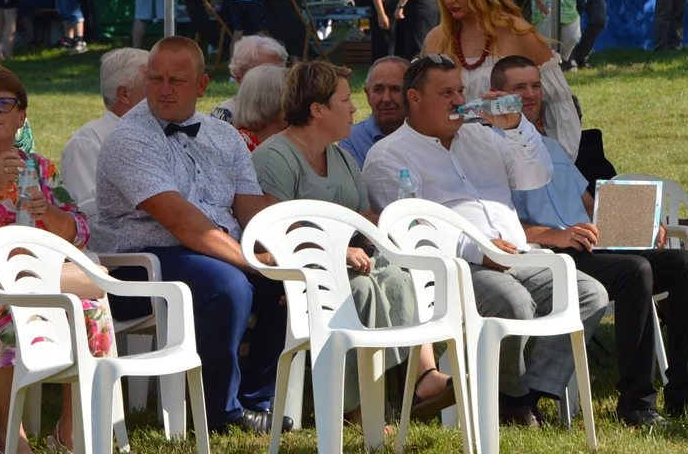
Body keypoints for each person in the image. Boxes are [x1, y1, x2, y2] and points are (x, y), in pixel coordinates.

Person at [362, 55, 608, 426]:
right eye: (446, 93)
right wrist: (479, 249)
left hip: (519, 255)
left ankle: (522, 396)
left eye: (460, 90)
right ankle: (515, 399)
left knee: (589, 294)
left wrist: (514, 127)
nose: (459, 99)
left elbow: (535, 176)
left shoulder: (482, 134)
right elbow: (411, 229)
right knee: (515, 304)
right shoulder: (388, 155)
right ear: (415, 98)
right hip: (456, 267)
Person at [489, 55, 688, 427]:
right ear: (499, 94)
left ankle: (686, 393)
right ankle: (637, 403)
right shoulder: (488, 150)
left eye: (535, 86)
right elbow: (497, 230)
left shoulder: (550, 147)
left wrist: (641, 225)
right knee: (635, 271)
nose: (530, 94)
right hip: (549, 256)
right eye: (519, 88)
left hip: (593, 246)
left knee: (685, 264)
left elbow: (591, 209)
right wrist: (554, 235)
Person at [94, 37, 289, 434]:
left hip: (210, 250)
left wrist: (282, 253)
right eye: (156, 78)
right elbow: (182, 222)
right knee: (230, 285)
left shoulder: (225, 136)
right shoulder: (129, 139)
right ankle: (220, 411)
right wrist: (250, 260)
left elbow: (252, 211)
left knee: (285, 284)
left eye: (176, 80)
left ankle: (256, 400)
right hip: (142, 261)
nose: (164, 89)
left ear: (201, 86)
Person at [252, 61, 455, 422]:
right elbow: (276, 231)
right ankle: (357, 408)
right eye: (345, 100)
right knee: (359, 291)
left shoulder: (341, 156)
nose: (354, 109)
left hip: (351, 262)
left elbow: (364, 220)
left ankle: (421, 378)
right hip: (302, 271)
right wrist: (336, 250)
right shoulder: (274, 157)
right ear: (317, 110)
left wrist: (404, 225)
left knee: (399, 274)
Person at [0, 67, 111, 454]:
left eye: (4, 103)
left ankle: (69, 430)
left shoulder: (39, 168)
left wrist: (49, 213)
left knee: (90, 308)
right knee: (11, 318)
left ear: (21, 115)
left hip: (34, 281)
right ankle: (10, 435)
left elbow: (78, 231)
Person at [422, 0, 581, 161]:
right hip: (452, 159)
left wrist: (559, 160)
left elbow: (557, 102)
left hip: (517, 157)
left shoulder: (518, 33)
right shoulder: (436, 39)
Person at [60, 48, 149, 203]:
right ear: (124, 94)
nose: (165, 92)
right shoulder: (88, 141)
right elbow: (89, 212)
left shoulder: (170, 132)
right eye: (153, 84)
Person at [339, 56, 409, 168]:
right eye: (378, 90)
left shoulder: (429, 135)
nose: (386, 98)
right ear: (367, 95)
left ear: (412, 95)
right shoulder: (352, 139)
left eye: (395, 89)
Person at [210, 35, 289, 124]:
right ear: (240, 79)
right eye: (265, 73)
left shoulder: (291, 109)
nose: (276, 79)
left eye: (280, 71)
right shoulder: (224, 116)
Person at [232, 65, 289, 152]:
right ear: (269, 103)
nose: (298, 105)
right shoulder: (238, 145)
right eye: (291, 98)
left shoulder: (289, 140)